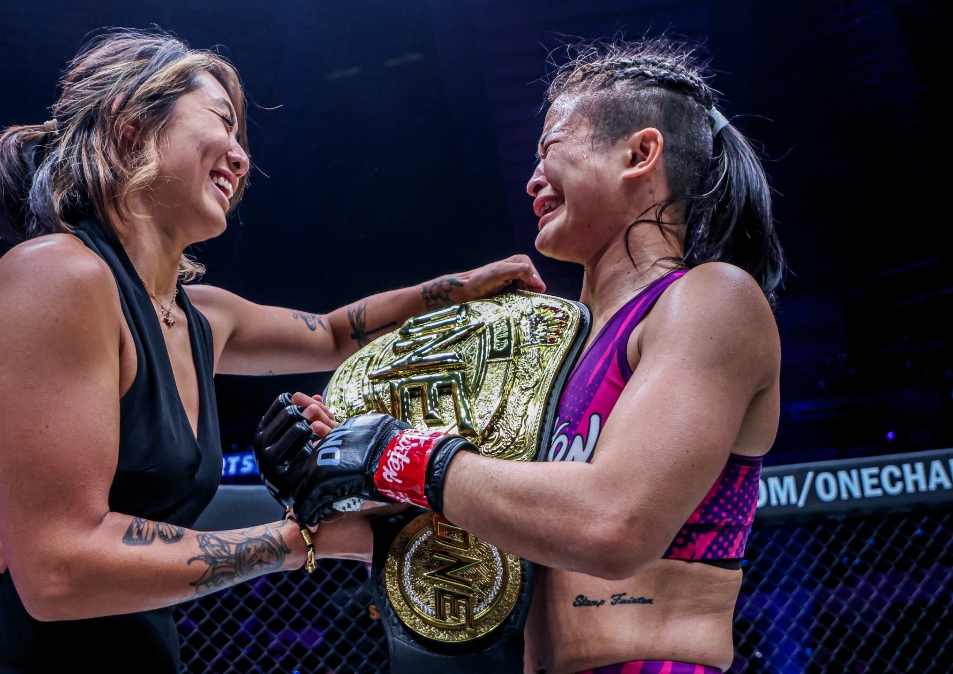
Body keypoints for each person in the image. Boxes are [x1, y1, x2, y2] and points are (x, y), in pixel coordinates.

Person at [0, 29, 545, 672]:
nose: (242, 157)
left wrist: (456, 291)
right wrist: (303, 539)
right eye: (222, 120)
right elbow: (58, 570)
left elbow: (334, 335)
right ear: (132, 124)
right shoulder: (55, 275)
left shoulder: (202, 316)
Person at [265, 37, 785, 674]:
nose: (532, 179)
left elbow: (615, 523)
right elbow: (488, 525)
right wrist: (339, 477)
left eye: (551, 149)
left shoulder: (711, 298)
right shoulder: (555, 351)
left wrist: (396, 455)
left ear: (639, 154)